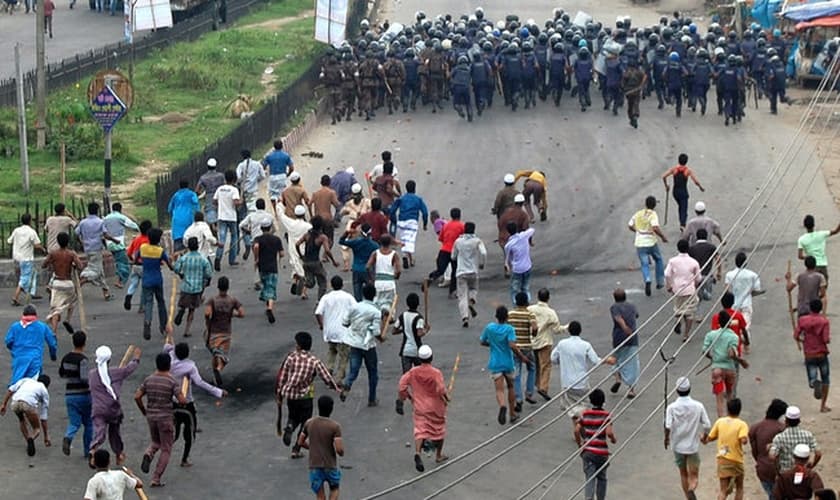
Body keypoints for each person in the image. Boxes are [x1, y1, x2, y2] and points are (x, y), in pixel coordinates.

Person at [276, 331, 343, 459]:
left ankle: (289, 426)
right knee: (305, 424)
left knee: (293, 416)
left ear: (299, 346)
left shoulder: (290, 357)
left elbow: (282, 377)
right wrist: (335, 387)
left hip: (290, 395)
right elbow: (326, 376)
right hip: (305, 396)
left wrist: (280, 392)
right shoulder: (314, 361)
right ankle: (296, 448)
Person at [163, 334, 225, 468]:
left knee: (175, 431)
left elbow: (168, 347)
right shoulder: (190, 367)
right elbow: (199, 382)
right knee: (189, 433)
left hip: (172, 401)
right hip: (186, 403)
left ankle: (161, 449)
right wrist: (218, 391)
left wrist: (170, 333)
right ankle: (184, 459)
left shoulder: (170, 360)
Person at [134, 352, 187, 488]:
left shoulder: (148, 380)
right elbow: (182, 400)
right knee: (166, 448)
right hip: (165, 418)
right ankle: (156, 478)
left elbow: (137, 396)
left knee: (156, 441)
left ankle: (148, 454)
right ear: (169, 365)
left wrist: (144, 411)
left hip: (151, 417)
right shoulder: (172, 381)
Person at [552, 322, 616, 431]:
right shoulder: (585, 345)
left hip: (567, 383)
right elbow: (596, 361)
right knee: (585, 405)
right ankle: (582, 425)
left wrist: (562, 361)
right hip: (582, 382)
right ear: (580, 331)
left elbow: (553, 358)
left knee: (572, 407)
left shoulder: (562, 344)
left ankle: (577, 427)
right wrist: (607, 360)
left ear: (569, 331)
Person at [397, 344, 449, 472]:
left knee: (420, 430)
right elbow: (441, 389)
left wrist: (407, 396)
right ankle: (438, 455)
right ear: (431, 357)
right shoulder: (436, 373)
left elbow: (401, 385)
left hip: (419, 406)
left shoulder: (413, 372)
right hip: (435, 406)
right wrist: (446, 398)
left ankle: (418, 453)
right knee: (439, 429)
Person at [88, 345, 141, 466]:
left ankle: (93, 448)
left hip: (98, 409)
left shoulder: (92, 374)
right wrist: (136, 358)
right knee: (115, 433)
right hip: (112, 408)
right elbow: (129, 369)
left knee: (99, 430)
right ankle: (118, 454)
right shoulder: (116, 372)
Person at [481, 305, 532, 425]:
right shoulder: (509, 329)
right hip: (508, 362)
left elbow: (482, 341)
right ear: (507, 317)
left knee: (499, 390)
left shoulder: (490, 328)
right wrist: (522, 357)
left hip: (495, 363)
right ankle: (512, 413)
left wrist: (493, 345)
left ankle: (502, 405)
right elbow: (512, 345)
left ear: (496, 316)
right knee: (510, 387)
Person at [665, 377, 711, 500]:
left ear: (677, 390)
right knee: (694, 476)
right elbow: (707, 425)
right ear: (689, 389)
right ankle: (691, 489)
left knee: (683, 473)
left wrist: (666, 439)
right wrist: (704, 437)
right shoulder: (698, 406)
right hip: (692, 447)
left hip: (678, 447)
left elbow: (668, 426)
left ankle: (688, 497)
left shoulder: (671, 407)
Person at [341, 284, 383, 406]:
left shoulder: (354, 307)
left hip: (354, 343)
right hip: (368, 345)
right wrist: (381, 338)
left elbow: (345, 322)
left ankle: (347, 384)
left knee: (353, 370)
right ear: (374, 295)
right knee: (373, 373)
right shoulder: (376, 311)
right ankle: (372, 398)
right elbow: (376, 331)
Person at [297, 395, 344, 500]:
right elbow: (339, 449)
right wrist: (341, 453)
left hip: (314, 466)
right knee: (334, 488)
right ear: (331, 408)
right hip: (329, 465)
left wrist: (312, 447)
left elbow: (300, 442)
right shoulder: (335, 426)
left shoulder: (309, 423)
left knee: (320, 495)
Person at [703, 310, 748, 417]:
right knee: (730, 395)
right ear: (729, 322)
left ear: (719, 322)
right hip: (729, 368)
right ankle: (730, 419)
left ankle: (720, 421)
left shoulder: (711, 335)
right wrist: (741, 361)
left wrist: (712, 358)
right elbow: (732, 353)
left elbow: (705, 351)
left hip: (717, 369)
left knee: (719, 399)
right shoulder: (734, 337)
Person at [703, 398, 750, 500]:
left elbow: (709, 438)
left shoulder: (720, 422)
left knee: (722, 490)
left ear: (727, 409)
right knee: (739, 488)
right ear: (740, 410)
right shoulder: (742, 424)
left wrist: (703, 439)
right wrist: (744, 440)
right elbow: (743, 439)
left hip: (722, 460)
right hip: (736, 460)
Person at [575, 389, 617, 500]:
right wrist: (613, 439)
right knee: (602, 478)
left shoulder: (585, 414)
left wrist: (580, 444)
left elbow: (577, 430)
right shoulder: (606, 415)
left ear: (591, 401)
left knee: (590, 477)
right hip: (602, 453)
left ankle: (588, 498)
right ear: (603, 401)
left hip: (588, 452)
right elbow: (609, 432)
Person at [204, 276, 244, 388]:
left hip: (213, 332)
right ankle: (218, 369)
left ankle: (215, 373)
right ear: (228, 287)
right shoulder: (232, 300)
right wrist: (232, 314)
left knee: (215, 353)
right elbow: (242, 313)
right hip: (226, 332)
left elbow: (207, 313)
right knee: (223, 355)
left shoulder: (212, 300)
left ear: (218, 287)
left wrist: (208, 322)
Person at [315, 276, 357, 381]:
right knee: (344, 355)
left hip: (330, 330)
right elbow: (356, 310)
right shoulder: (348, 297)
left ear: (331, 285)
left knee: (332, 351)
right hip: (343, 331)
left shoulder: (326, 297)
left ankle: (329, 369)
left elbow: (318, 312)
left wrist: (322, 324)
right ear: (342, 285)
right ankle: (339, 376)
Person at [59, 330, 92, 458]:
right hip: (83, 395)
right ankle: (87, 451)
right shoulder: (83, 360)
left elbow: (62, 373)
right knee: (89, 423)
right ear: (84, 343)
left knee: (74, 422)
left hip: (70, 395)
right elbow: (84, 379)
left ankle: (68, 436)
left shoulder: (66, 358)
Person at [5, 304, 57, 386]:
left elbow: (8, 341)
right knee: (32, 386)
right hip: (34, 360)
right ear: (35, 314)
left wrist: (14, 350)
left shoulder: (15, 326)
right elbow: (52, 343)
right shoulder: (42, 326)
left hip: (19, 359)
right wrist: (53, 355)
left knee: (16, 384)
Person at [794, 299, 832, 412]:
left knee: (812, 377)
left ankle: (814, 382)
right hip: (821, 353)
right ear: (820, 309)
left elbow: (796, 335)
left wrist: (803, 341)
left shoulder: (802, 320)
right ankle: (823, 406)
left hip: (809, 354)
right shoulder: (824, 321)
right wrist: (828, 340)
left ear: (810, 308)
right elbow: (825, 339)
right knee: (826, 379)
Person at [136, 228, 174, 340]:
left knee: (148, 303)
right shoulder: (160, 251)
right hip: (157, 280)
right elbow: (170, 265)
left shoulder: (143, 248)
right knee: (161, 302)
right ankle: (163, 325)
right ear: (158, 240)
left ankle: (147, 322)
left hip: (146, 279)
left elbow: (135, 259)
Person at [0, 374, 51, 457]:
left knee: (22, 420)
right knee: (36, 429)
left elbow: (10, 390)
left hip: (15, 402)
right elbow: (43, 418)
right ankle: (31, 439)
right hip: (28, 404)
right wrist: (46, 436)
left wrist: (4, 404)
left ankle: (27, 440)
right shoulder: (44, 390)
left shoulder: (26, 380)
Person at [42, 232, 83, 332]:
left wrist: (52, 262)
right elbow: (80, 266)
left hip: (57, 283)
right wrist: (72, 264)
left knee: (56, 309)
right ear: (68, 241)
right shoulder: (71, 253)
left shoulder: (53, 253)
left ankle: (54, 331)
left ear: (58, 241)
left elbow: (44, 265)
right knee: (72, 301)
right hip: (68, 283)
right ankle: (68, 319)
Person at [172, 237, 213, 337]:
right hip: (197, 288)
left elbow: (176, 268)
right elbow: (208, 273)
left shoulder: (184, 258)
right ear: (197, 246)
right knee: (192, 310)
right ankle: (187, 330)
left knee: (183, 304)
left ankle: (181, 311)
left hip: (186, 287)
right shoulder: (203, 259)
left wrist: (181, 273)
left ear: (188, 247)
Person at [628, 196, 668, 296]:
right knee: (658, 259)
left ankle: (647, 279)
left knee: (644, 263)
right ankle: (660, 281)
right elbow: (655, 227)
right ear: (654, 205)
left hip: (640, 242)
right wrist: (662, 237)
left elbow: (630, 225)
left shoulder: (638, 213)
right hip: (651, 241)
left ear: (645, 204)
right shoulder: (653, 214)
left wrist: (637, 231)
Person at [529, 288, 565, 400]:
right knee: (546, 365)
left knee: (535, 365)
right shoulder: (551, 313)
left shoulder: (530, 309)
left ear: (538, 297)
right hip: (545, 341)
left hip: (531, 341)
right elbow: (556, 330)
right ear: (548, 298)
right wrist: (567, 327)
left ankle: (534, 385)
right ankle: (543, 387)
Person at [749, 398, 788, 499]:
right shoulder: (782, 428)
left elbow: (755, 452)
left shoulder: (755, 428)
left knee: (772, 494)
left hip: (763, 469)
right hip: (780, 469)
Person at [665, 239, 702, 341]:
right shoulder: (693, 262)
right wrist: (695, 285)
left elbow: (667, 274)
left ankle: (678, 320)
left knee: (678, 308)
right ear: (688, 248)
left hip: (676, 289)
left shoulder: (672, 261)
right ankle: (686, 334)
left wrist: (669, 285)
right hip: (689, 289)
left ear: (678, 248)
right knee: (689, 312)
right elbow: (698, 278)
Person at [452, 222, 486, 328]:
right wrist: (482, 263)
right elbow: (484, 252)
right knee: (473, 289)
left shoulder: (458, 241)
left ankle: (465, 317)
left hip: (461, 272)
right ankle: (471, 300)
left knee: (462, 296)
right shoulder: (477, 241)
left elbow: (453, 256)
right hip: (473, 271)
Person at [389, 180, 429, 269]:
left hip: (401, 222)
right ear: (414, 188)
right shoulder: (418, 199)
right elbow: (425, 213)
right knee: (410, 242)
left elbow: (392, 210)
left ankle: (409, 259)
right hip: (412, 222)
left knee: (404, 241)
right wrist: (425, 224)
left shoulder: (401, 199)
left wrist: (394, 220)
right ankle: (406, 257)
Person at [770, 405, 822, 473]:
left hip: (786, 474)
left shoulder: (779, 437)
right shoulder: (808, 435)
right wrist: (810, 467)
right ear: (799, 421)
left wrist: (777, 469)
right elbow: (818, 454)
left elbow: (772, 456)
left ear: (786, 421)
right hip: (803, 473)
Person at [509, 292, 538, 411]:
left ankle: (518, 398)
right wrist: (533, 334)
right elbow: (535, 328)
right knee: (532, 368)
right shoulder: (530, 314)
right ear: (526, 302)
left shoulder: (510, 314)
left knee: (516, 373)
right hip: (526, 347)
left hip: (514, 347)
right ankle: (529, 392)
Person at [427, 208, 464, 299]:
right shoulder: (462, 226)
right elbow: (464, 239)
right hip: (455, 251)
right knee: (454, 272)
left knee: (441, 270)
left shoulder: (446, 226)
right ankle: (452, 292)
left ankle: (431, 279)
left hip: (444, 250)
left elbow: (441, 238)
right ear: (459, 215)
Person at [609, 288, 640, 398]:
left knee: (616, 359)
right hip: (632, 338)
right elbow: (636, 315)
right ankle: (631, 389)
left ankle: (618, 379)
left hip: (618, 337)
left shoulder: (614, 307)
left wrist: (624, 327)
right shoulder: (632, 306)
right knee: (632, 363)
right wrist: (627, 327)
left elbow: (618, 318)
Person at [392, 293, 428, 384]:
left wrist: (403, 330)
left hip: (405, 350)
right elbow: (419, 333)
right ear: (418, 304)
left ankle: (404, 393)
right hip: (416, 350)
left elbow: (394, 331)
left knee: (406, 377)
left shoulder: (402, 315)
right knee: (420, 376)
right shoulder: (419, 318)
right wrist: (426, 330)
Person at [8, 213, 44, 305]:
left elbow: (9, 241)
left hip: (16, 257)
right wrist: (43, 249)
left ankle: (32, 291)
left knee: (32, 273)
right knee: (24, 278)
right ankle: (15, 297)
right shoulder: (31, 232)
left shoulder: (16, 230)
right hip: (26, 258)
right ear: (30, 221)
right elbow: (36, 244)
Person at [662, 154, 705, 230]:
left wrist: (666, 186)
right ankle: (682, 224)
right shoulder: (687, 171)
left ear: (678, 160)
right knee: (683, 208)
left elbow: (664, 176)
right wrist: (700, 187)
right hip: (683, 192)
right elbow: (695, 181)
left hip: (675, 192)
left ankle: (682, 222)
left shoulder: (674, 169)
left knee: (681, 207)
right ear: (686, 161)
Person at [253, 222, 284, 323]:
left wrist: (256, 258)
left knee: (266, 284)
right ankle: (270, 308)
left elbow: (256, 246)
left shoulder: (258, 239)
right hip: (272, 267)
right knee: (271, 287)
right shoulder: (276, 239)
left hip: (262, 266)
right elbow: (282, 253)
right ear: (270, 228)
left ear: (261, 228)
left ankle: (267, 303)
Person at [725, 252, 765, 331]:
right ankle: (744, 341)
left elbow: (727, 291)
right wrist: (748, 293)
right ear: (745, 262)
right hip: (746, 304)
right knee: (745, 328)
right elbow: (756, 291)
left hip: (734, 305)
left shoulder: (729, 275)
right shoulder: (753, 275)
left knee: (734, 327)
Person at [103, 203, 139, 289]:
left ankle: (118, 278)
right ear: (120, 209)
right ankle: (120, 281)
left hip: (108, 243)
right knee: (123, 263)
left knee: (118, 261)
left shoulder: (106, 218)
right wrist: (137, 229)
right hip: (118, 243)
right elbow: (133, 225)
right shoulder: (121, 217)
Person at [339, 224, 379, 301]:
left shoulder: (356, 242)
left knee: (357, 295)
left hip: (356, 269)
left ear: (361, 232)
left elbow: (341, 241)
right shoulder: (374, 245)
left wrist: (346, 233)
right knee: (370, 294)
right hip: (368, 271)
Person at [213, 170, 242, 271]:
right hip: (232, 217)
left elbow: (214, 201)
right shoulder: (234, 190)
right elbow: (236, 202)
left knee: (222, 238)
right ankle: (231, 259)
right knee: (234, 237)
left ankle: (218, 257)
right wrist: (241, 201)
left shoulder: (220, 189)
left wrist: (220, 206)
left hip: (221, 216)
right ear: (234, 179)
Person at [281, 205, 313, 296]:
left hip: (293, 249)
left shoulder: (290, 223)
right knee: (305, 270)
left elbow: (282, 216)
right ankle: (303, 292)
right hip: (304, 250)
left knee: (296, 266)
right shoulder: (308, 226)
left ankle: (295, 281)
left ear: (295, 214)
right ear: (303, 214)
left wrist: (280, 205)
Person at [797, 214, 840, 283]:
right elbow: (835, 231)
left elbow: (800, 256)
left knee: (813, 289)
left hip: (812, 267)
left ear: (804, 226)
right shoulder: (822, 234)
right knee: (823, 289)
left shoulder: (801, 239)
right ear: (814, 225)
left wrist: (808, 257)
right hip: (823, 266)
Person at [338, 183, 371, 272]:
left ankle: (352, 264)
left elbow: (341, 213)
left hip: (360, 225)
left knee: (357, 245)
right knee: (346, 244)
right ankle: (347, 264)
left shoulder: (366, 202)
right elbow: (341, 212)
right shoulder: (351, 203)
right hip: (354, 224)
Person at [367, 234, 401, 315]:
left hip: (378, 282)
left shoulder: (375, 253)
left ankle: (378, 318)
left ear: (380, 242)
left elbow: (368, 266)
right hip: (389, 282)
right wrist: (396, 276)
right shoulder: (394, 254)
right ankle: (389, 317)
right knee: (390, 303)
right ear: (390, 243)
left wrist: (372, 278)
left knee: (377, 302)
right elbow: (399, 270)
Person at [124, 220, 152, 312]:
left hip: (135, 266)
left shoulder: (136, 239)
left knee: (133, 283)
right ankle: (142, 306)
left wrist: (132, 260)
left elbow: (128, 253)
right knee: (145, 287)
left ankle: (129, 296)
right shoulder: (149, 240)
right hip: (145, 266)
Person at [505, 223, 535, 304]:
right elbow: (532, 230)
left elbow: (508, 259)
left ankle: (516, 307)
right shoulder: (524, 236)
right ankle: (527, 305)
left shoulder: (508, 245)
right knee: (525, 288)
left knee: (514, 290)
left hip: (517, 269)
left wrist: (508, 268)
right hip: (527, 266)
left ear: (508, 232)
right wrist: (523, 231)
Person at [689, 228, 721, 302]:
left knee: (696, 297)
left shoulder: (692, 248)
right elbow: (718, 259)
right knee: (707, 297)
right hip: (707, 275)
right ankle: (704, 292)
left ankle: (700, 294)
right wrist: (719, 272)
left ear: (697, 237)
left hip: (695, 276)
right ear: (706, 236)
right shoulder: (711, 247)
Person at [262, 140, 295, 213]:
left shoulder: (269, 156)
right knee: (284, 192)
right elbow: (292, 168)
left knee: (272, 194)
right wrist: (288, 174)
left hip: (273, 177)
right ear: (282, 146)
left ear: (274, 147)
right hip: (282, 176)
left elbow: (263, 166)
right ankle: (285, 209)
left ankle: (275, 211)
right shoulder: (286, 155)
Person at [238, 197, 274, 263]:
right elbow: (273, 229)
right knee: (266, 258)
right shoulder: (270, 216)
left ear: (256, 206)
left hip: (255, 240)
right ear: (264, 206)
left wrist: (247, 231)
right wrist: (270, 234)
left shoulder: (251, 216)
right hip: (267, 240)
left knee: (257, 260)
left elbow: (241, 225)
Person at [167, 180, 199, 253]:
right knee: (189, 240)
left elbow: (169, 209)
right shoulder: (191, 194)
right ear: (188, 185)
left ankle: (177, 261)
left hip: (177, 221)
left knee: (177, 243)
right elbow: (196, 204)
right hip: (188, 220)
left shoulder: (176, 195)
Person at [311, 175, 341, 247]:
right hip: (327, 219)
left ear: (321, 183)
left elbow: (309, 204)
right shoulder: (331, 193)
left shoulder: (315, 193)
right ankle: (325, 255)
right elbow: (337, 205)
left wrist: (312, 215)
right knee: (330, 239)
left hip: (317, 219)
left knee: (316, 239)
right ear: (329, 183)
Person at [196, 158, 225, 230]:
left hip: (209, 198)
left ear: (207, 166)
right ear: (215, 166)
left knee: (210, 216)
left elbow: (197, 190)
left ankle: (213, 230)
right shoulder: (221, 176)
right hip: (220, 196)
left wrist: (202, 194)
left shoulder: (203, 177)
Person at [235, 149, 266, 213]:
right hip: (254, 188)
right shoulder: (257, 164)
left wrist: (242, 181)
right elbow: (263, 175)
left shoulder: (241, 165)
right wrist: (256, 180)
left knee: (248, 205)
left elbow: (238, 177)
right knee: (253, 203)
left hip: (245, 189)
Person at [621, 58, 647, 128]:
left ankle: (632, 119)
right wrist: (641, 85)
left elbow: (622, 84)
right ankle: (635, 115)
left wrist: (623, 90)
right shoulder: (639, 72)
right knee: (636, 104)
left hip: (628, 92)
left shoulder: (626, 73)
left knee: (630, 105)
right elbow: (645, 76)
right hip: (637, 91)